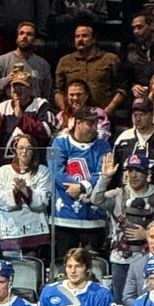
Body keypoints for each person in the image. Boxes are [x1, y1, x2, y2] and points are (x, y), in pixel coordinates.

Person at [90, 151, 154, 303]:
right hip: (120, 260)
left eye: (139, 171)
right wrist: (105, 178)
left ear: (147, 173)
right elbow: (96, 200)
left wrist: (146, 235)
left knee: (146, 301)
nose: (134, 175)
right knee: (121, 303)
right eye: (131, 170)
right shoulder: (118, 194)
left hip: (146, 261)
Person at [50, 106, 112, 258]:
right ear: (77, 122)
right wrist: (73, 186)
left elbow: (102, 173)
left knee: (94, 266)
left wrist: (82, 187)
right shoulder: (59, 143)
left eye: (96, 123)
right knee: (64, 265)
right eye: (90, 124)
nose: (94, 128)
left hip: (94, 219)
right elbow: (56, 172)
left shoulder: (103, 145)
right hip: (64, 218)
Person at [0, 134, 52, 258]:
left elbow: (43, 200)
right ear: (16, 150)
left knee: (31, 268)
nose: (24, 152)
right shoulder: (4, 171)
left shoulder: (42, 171)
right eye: (21, 148)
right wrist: (15, 193)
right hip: (10, 232)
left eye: (28, 149)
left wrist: (25, 190)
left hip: (35, 232)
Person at [54, 23, 125, 121]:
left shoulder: (110, 59)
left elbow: (121, 90)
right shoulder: (65, 61)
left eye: (84, 36)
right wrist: (66, 112)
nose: (80, 39)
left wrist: (107, 112)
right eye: (77, 36)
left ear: (94, 39)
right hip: (73, 117)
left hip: (103, 116)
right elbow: (58, 91)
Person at [0, 21, 53, 102]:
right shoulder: (1, 61)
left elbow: (47, 95)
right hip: (7, 109)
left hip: (34, 111)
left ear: (34, 40)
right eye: (21, 33)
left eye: (29, 34)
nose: (24, 36)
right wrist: (7, 79)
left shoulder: (43, 65)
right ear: (17, 37)